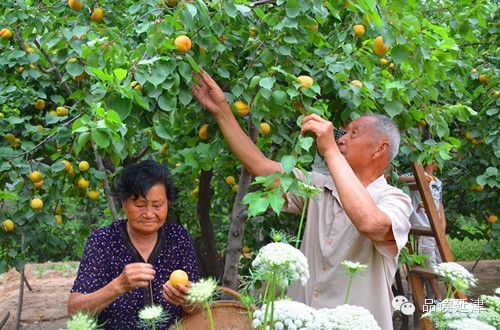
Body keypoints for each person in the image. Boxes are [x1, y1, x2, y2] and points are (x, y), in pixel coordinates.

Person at [191, 69, 412, 329]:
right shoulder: (318, 187)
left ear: (380, 148)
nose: (342, 140)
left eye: (354, 133)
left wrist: (329, 149)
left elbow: (369, 222)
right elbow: (258, 164)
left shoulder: (395, 200)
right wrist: (221, 110)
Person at [68, 160, 200, 329]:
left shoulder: (178, 238)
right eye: (140, 205)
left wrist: (188, 300)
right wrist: (118, 286)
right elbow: (74, 311)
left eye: (158, 205)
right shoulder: (103, 241)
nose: (149, 214)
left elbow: (199, 309)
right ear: (124, 203)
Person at [398, 161, 446, 301]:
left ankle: (434, 296)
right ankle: (437, 298)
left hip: (436, 228)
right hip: (423, 227)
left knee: (439, 263)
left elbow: (439, 202)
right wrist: (418, 177)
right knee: (429, 263)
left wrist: (443, 222)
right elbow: (396, 178)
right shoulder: (413, 174)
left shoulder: (437, 181)